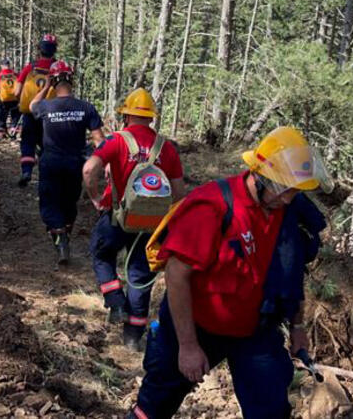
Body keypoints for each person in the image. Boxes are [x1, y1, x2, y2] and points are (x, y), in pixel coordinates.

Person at [125, 126, 332, 419]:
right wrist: (187, 346)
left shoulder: (290, 212)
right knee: (154, 406)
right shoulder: (212, 206)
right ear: (259, 175)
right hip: (197, 324)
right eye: (283, 188)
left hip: (254, 331)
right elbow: (176, 274)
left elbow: (292, 271)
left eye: (295, 190)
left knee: (271, 409)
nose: (288, 198)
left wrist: (297, 327)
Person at [83, 88, 186, 351]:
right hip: (151, 227)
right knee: (140, 277)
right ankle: (132, 340)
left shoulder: (116, 140)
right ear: (151, 118)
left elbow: (89, 169)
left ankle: (115, 299)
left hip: (118, 218)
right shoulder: (167, 148)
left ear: (127, 116)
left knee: (101, 252)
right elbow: (178, 194)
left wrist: (96, 198)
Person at [30, 60, 103, 264]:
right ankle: (66, 232)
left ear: (53, 81)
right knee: (70, 200)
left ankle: (60, 239)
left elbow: (31, 105)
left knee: (49, 201)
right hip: (75, 163)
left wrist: (45, 87)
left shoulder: (45, 106)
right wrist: (106, 164)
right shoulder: (86, 107)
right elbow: (99, 139)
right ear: (72, 80)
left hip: (50, 162)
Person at [16, 33, 59, 186]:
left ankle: (27, 171)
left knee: (27, 142)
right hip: (51, 114)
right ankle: (46, 176)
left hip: (29, 113)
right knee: (48, 144)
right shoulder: (58, 69)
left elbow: (16, 91)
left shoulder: (30, 68)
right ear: (54, 50)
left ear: (39, 49)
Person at [0, 58, 21, 137]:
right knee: (15, 115)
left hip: (4, 99)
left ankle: (2, 131)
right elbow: (20, 85)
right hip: (15, 98)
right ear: (9, 65)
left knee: (2, 115)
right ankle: (14, 129)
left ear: (1, 66)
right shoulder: (16, 74)